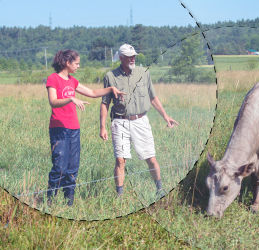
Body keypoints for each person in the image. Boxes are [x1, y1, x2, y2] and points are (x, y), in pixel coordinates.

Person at [46, 49, 125, 206]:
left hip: (74, 128)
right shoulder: (53, 79)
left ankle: (69, 203)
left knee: (72, 168)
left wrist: (110, 89)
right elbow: (53, 101)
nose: (78, 66)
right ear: (67, 63)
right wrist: (70, 99)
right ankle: (49, 201)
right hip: (59, 128)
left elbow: (93, 92)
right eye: (77, 63)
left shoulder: (72, 81)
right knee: (59, 167)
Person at [100, 44, 179, 198]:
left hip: (141, 121)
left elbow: (153, 97)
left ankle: (160, 190)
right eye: (129, 56)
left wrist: (166, 116)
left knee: (150, 157)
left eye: (134, 55)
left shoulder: (144, 73)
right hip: (120, 122)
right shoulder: (110, 76)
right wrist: (102, 127)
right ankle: (120, 196)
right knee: (120, 160)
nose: (133, 58)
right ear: (121, 58)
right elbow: (105, 103)